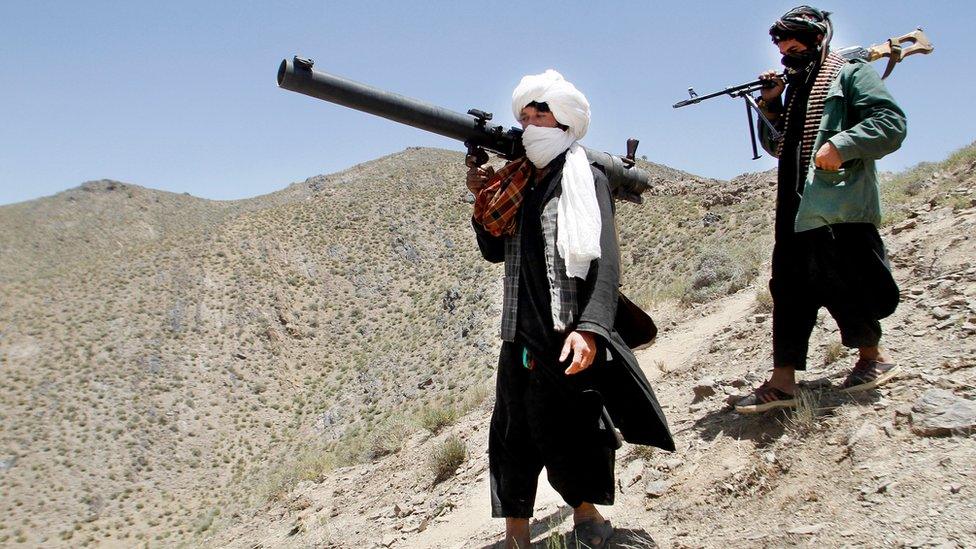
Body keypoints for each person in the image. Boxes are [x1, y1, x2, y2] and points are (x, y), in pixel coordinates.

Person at [466, 70, 674, 548]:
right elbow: (494, 251)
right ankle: (517, 534)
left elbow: (606, 261)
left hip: (565, 334)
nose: (531, 122)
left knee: (570, 431)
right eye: (525, 115)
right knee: (512, 437)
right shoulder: (516, 181)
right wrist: (481, 197)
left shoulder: (583, 176)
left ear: (564, 122)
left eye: (542, 114)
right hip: (519, 333)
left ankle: (588, 518)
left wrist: (592, 329)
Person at [735, 6, 907, 414]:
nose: (785, 51)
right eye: (780, 45)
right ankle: (783, 381)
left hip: (838, 206)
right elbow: (779, 147)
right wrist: (772, 104)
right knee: (789, 290)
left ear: (818, 40)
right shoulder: (795, 89)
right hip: (795, 208)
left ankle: (872, 357)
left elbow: (890, 122)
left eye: (793, 43)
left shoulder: (851, 75)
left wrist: (842, 145)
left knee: (847, 281)